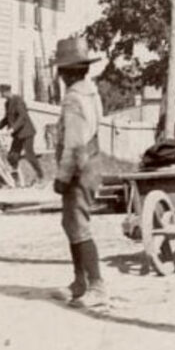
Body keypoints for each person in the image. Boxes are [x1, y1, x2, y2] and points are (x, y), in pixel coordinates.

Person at [51, 37, 107, 308]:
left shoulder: (73, 99)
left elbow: (73, 143)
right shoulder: (92, 93)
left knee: (78, 225)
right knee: (71, 224)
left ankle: (96, 285)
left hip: (79, 167)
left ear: (68, 72)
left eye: (62, 70)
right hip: (92, 162)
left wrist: (62, 177)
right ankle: (79, 281)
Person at [0, 83, 45, 183]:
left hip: (26, 132)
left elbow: (22, 117)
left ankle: (41, 176)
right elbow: (7, 118)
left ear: (6, 92)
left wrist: (12, 129)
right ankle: (16, 179)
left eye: (1, 93)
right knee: (12, 156)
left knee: (30, 155)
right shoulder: (7, 103)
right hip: (18, 134)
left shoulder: (18, 100)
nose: (0, 95)